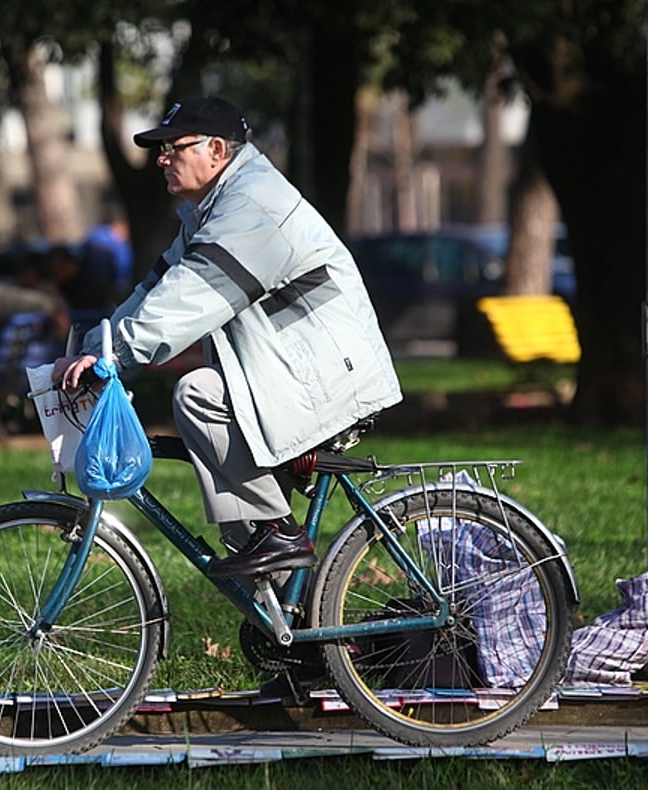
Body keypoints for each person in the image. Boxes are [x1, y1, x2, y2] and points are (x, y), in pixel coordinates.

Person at [54, 95, 402, 578]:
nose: (161, 158)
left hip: (327, 379)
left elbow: (188, 300)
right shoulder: (211, 212)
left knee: (199, 395)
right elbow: (157, 289)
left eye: (174, 147)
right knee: (238, 505)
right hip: (290, 375)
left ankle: (278, 534)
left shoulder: (253, 208)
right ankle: (285, 614)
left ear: (216, 150)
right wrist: (94, 349)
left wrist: (115, 355)